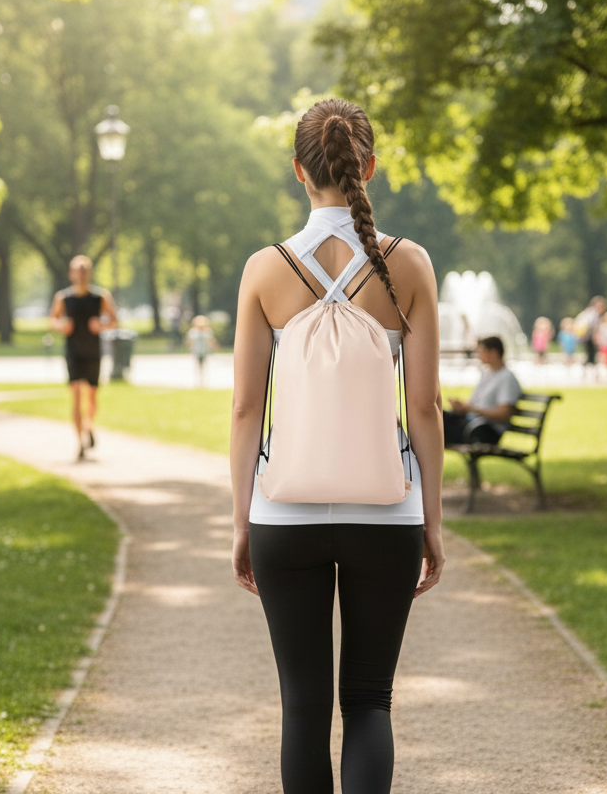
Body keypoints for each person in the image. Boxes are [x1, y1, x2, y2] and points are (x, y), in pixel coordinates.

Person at [230, 98, 445, 794]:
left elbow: (243, 409)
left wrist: (242, 520)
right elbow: (424, 409)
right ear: (369, 167)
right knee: (369, 703)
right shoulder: (408, 266)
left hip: (283, 518)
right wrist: (432, 523)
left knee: (302, 708)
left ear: (299, 170)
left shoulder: (264, 270)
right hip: (385, 516)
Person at [49, 255, 118, 460]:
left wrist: (101, 325)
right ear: (71, 273)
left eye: (85, 270)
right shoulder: (63, 297)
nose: (81, 274)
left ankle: (88, 425)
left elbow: (114, 321)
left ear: (89, 273)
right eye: (77, 270)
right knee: (77, 395)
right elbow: (52, 319)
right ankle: (80, 442)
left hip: (93, 352)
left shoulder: (101, 297)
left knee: (92, 398)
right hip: (73, 352)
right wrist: (62, 326)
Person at [442, 335, 522, 446]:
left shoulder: (506, 378)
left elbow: (504, 414)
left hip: (485, 430)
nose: (478, 356)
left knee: (438, 426)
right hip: (472, 423)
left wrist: (473, 409)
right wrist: (462, 407)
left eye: (481, 352)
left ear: (493, 352)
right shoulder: (487, 374)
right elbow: (476, 404)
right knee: (439, 415)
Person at [186, 314, 218, 387]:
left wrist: (214, 347)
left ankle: (203, 379)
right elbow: (189, 341)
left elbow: (211, 340)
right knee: (198, 364)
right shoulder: (193, 332)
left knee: (204, 364)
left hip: (204, 350)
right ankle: (199, 379)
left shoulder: (207, 331)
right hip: (197, 350)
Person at [574, 295, 607, 367]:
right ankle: (589, 368)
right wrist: (594, 335)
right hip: (589, 337)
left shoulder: (587, 312)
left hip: (584, 336)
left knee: (589, 354)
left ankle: (588, 367)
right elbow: (592, 326)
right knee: (591, 355)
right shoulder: (594, 313)